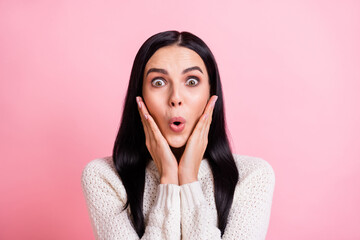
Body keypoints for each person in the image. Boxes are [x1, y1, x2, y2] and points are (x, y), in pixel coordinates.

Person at [81, 30, 275, 240]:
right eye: (158, 82)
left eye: (192, 81)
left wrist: (189, 179)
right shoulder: (104, 177)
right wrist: (168, 180)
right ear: (140, 97)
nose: (175, 98)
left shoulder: (252, 177)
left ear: (211, 94)